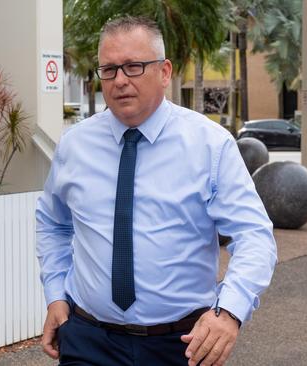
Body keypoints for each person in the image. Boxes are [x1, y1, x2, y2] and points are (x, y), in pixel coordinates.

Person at [36, 16, 277, 366]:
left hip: (181, 346)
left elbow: (254, 235)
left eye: (133, 66)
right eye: (109, 69)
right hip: (88, 342)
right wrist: (56, 295)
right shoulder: (75, 145)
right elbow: (52, 222)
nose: (120, 80)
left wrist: (229, 312)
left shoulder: (209, 145)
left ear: (164, 72)